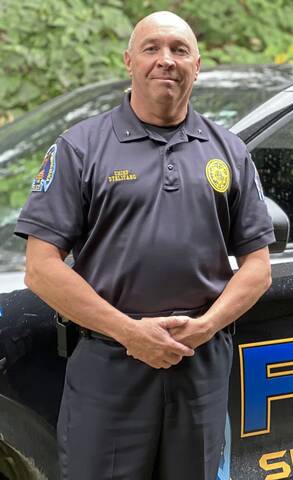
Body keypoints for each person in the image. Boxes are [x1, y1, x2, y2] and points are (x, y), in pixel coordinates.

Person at [14, 11, 274, 480]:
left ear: (197, 66)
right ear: (129, 61)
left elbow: (258, 266)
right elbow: (41, 267)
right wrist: (130, 333)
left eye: (179, 50)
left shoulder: (229, 151)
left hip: (199, 364)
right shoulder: (80, 147)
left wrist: (206, 326)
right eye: (152, 48)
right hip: (110, 365)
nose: (166, 60)